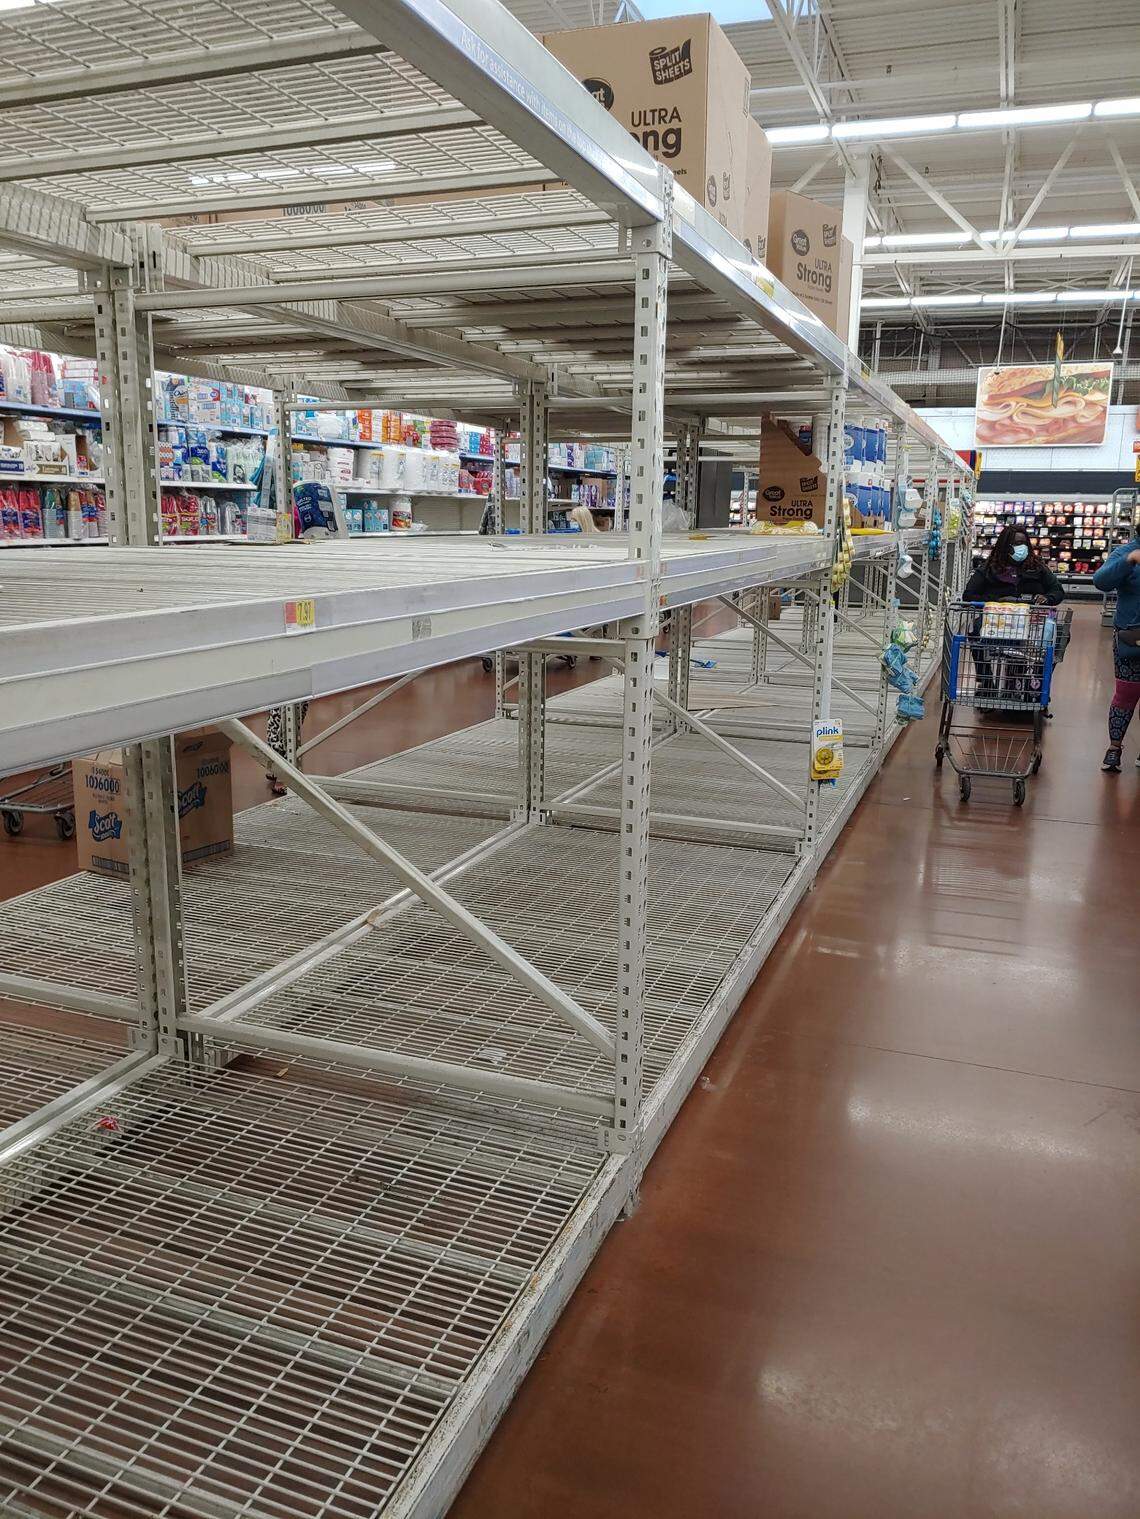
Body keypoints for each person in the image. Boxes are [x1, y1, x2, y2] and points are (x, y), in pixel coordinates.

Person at [1092, 528, 1140, 772]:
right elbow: (1101, 581)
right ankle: (1114, 748)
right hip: (1131, 636)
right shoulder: (1126, 552)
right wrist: (1129, 561)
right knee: (1126, 693)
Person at [963, 524, 1065, 606]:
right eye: (1017, 543)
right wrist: (997, 600)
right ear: (1005, 546)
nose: (1022, 547)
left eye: (1024, 543)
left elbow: (1057, 591)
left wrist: (1047, 598)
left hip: (1033, 621)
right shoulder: (988, 569)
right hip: (995, 620)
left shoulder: (1037, 567)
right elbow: (968, 596)